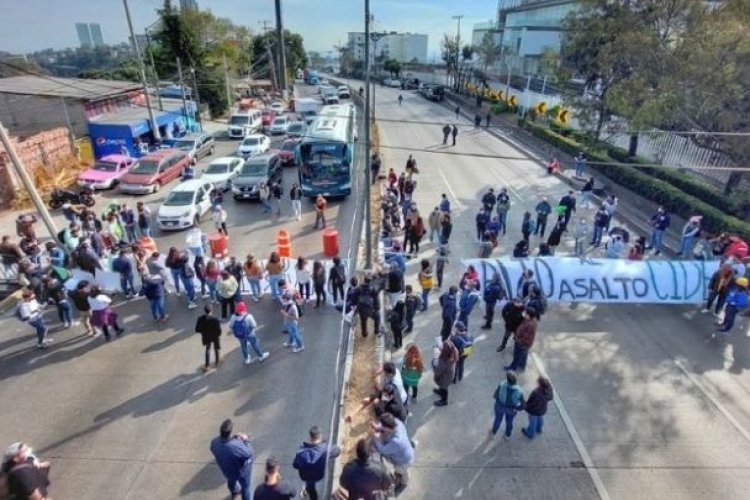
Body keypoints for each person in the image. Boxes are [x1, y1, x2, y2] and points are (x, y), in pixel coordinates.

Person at [370, 412, 414, 495]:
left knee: (402, 472)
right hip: (406, 453)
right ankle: (401, 476)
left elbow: (382, 449)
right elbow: (386, 429)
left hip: (403, 462)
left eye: (382, 425)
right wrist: (378, 427)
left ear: (387, 428)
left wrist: (375, 437)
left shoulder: (396, 441)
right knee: (401, 471)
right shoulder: (397, 422)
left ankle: (404, 483)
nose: (380, 426)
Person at [210, 419, 255, 500]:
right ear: (230, 433)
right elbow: (249, 453)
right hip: (241, 471)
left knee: (231, 481)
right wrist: (245, 440)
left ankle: (234, 491)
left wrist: (234, 438)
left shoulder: (214, 442)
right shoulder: (235, 446)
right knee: (246, 487)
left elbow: (213, 449)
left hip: (226, 470)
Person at [292, 426, 341, 500]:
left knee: (311, 488)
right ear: (320, 436)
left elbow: (295, 465)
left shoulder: (301, 452)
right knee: (312, 483)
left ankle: (310, 493)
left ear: (310, 437)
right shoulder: (326, 449)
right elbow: (337, 451)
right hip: (319, 475)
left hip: (306, 476)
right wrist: (325, 444)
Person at [490, 370, 525, 438]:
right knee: (509, 422)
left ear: (507, 380)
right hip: (511, 409)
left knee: (498, 420)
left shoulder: (501, 385)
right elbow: (523, 405)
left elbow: (495, 396)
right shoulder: (519, 391)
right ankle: (507, 435)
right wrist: (517, 408)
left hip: (500, 407)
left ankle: (493, 432)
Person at [505, 307, 538, 372]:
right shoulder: (531, 320)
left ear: (528, 315)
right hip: (526, 343)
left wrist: (517, 340)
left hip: (522, 343)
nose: (524, 313)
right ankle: (522, 366)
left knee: (517, 356)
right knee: (523, 355)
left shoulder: (529, 324)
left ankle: (513, 368)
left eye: (525, 313)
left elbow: (525, 337)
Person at [195, 304, 222, 372]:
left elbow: (197, 329)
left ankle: (207, 365)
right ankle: (217, 361)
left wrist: (202, 332)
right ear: (211, 310)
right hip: (215, 336)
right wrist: (218, 334)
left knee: (208, 349)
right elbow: (219, 330)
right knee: (216, 348)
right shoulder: (215, 319)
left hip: (206, 336)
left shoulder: (200, 319)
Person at [432, 340, 459, 406]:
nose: (442, 347)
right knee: (443, 386)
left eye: (443, 347)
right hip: (450, 374)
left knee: (444, 387)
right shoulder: (454, 350)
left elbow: (438, 371)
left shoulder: (444, 360)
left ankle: (444, 400)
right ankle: (441, 391)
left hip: (445, 377)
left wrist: (435, 360)